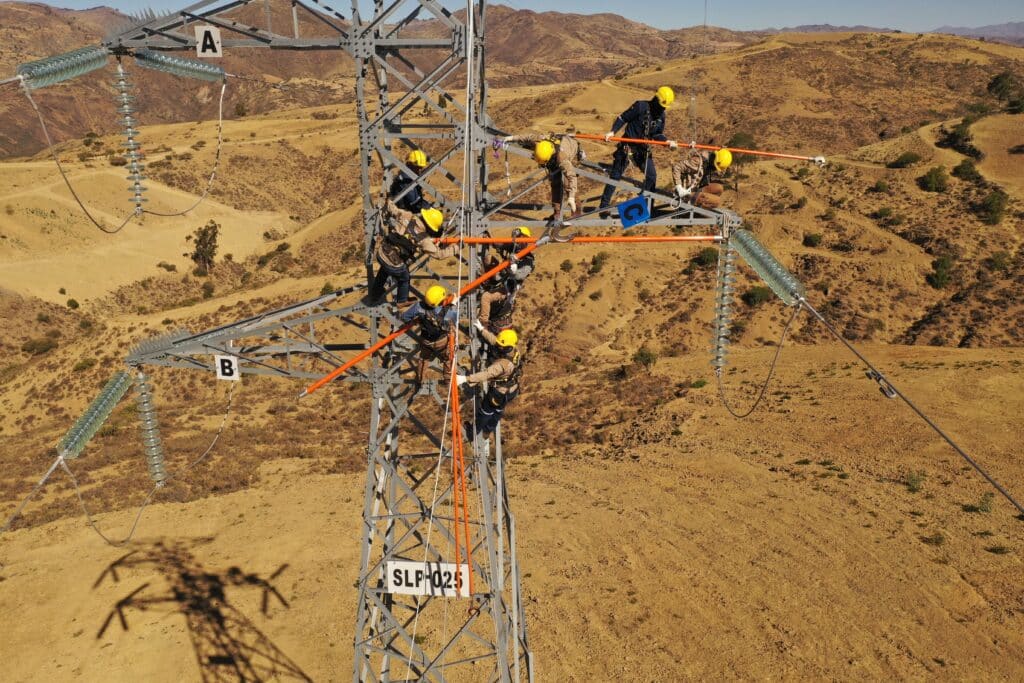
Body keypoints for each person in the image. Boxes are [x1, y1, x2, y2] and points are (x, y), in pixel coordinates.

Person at [598, 86, 676, 214]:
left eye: (664, 106)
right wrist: (612, 131)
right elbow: (622, 118)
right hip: (627, 146)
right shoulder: (641, 106)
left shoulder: (661, 116)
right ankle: (604, 205)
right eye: (662, 105)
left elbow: (657, 134)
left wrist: (666, 142)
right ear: (656, 99)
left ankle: (646, 207)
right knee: (616, 176)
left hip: (643, 150)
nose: (663, 108)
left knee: (651, 176)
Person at [367, 199, 457, 304]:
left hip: (382, 252)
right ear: (431, 227)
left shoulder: (408, 216)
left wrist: (388, 202)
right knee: (404, 276)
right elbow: (440, 254)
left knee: (384, 270)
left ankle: (375, 294)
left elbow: (393, 210)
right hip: (394, 262)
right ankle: (402, 300)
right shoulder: (424, 239)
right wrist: (456, 247)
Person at [456, 327, 523, 436]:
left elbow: (485, 375)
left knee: (485, 412)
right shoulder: (514, 350)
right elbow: (495, 341)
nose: (499, 346)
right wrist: (483, 330)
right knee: (498, 410)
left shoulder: (501, 365)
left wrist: (465, 379)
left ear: (505, 347)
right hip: (512, 389)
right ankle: (488, 430)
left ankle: (473, 433)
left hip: (498, 393)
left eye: (501, 345)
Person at [501, 133, 583, 218]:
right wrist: (511, 138)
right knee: (555, 181)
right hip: (555, 151)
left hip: (570, 148)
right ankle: (557, 212)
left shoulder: (562, 157)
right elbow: (526, 136)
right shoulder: (539, 140)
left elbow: (571, 176)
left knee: (567, 183)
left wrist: (572, 197)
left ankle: (576, 209)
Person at [401, 284, 459, 384]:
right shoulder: (447, 311)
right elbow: (453, 320)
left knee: (423, 358)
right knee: (448, 358)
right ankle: (448, 379)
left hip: (426, 341)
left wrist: (416, 321)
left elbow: (405, 317)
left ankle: (420, 379)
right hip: (441, 341)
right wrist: (453, 305)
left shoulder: (418, 307)